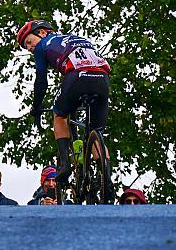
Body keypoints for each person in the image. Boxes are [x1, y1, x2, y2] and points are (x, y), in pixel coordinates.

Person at [17, 20, 111, 185]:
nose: (30, 48)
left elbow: (41, 82)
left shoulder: (42, 46)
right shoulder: (79, 39)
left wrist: (36, 106)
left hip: (77, 76)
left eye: (29, 42)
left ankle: (65, 166)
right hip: (102, 79)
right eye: (27, 48)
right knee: (96, 133)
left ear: (43, 33)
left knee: (59, 115)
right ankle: (107, 181)